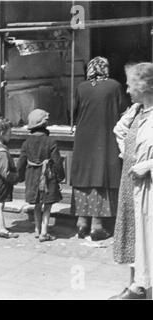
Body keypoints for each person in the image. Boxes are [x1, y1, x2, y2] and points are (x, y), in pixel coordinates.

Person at [70, 56, 127, 241]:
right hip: (105, 137)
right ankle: (97, 226)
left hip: (83, 138)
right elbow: (124, 110)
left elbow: (72, 111)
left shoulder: (81, 87)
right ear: (106, 68)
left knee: (84, 178)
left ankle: (81, 223)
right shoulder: (114, 86)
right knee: (100, 176)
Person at [111, 62, 153, 300]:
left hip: (148, 186)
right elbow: (120, 131)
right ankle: (137, 287)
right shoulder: (136, 111)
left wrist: (146, 165)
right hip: (132, 182)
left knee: (149, 236)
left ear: (144, 86)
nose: (126, 91)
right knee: (135, 234)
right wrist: (128, 153)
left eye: (129, 85)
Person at [17, 109, 65, 242]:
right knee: (47, 205)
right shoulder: (51, 142)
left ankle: (37, 229)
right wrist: (61, 176)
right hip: (47, 177)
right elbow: (57, 162)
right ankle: (44, 232)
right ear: (45, 125)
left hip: (32, 176)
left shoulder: (26, 143)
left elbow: (21, 162)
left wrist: (18, 176)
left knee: (37, 204)